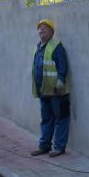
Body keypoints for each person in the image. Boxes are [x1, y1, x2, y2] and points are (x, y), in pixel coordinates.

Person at [31, 18, 70, 157]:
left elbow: (62, 66)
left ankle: (59, 147)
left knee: (61, 118)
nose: (41, 29)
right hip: (44, 91)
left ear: (51, 32)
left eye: (45, 27)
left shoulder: (56, 46)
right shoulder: (38, 48)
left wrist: (60, 81)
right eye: (40, 27)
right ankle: (44, 146)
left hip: (57, 92)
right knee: (46, 119)